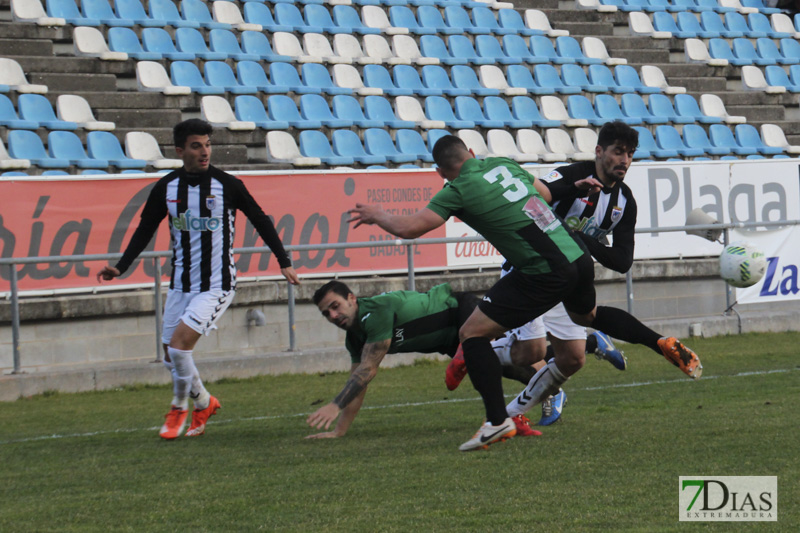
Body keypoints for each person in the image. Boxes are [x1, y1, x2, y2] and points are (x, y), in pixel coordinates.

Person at [347, 135, 606, 451]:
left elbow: (410, 228)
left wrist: (377, 215)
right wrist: (576, 188)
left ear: (441, 172)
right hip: (571, 257)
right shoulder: (502, 163)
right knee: (534, 346)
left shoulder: (455, 190)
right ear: (471, 152)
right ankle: (509, 412)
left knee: (472, 334)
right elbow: (547, 192)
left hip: (536, 267)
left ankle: (498, 421)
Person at [97, 118, 300, 440]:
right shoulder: (166, 187)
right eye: (196, 145)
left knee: (178, 350)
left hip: (216, 284)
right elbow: (145, 229)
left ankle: (179, 406)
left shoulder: (228, 185)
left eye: (207, 144)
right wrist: (121, 267)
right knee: (170, 357)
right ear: (180, 150)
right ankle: (204, 402)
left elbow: (261, 219)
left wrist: (284, 260)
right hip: (180, 284)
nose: (204, 151)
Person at [305, 280, 543, 439]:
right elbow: (359, 382)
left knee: (518, 354)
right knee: (512, 369)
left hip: (461, 310)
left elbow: (367, 370)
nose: (333, 316)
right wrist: (338, 431)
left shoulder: (373, 313)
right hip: (450, 340)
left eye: (335, 306)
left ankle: (504, 416)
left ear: (351, 298)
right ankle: (551, 382)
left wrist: (335, 405)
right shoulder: (354, 338)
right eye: (327, 313)